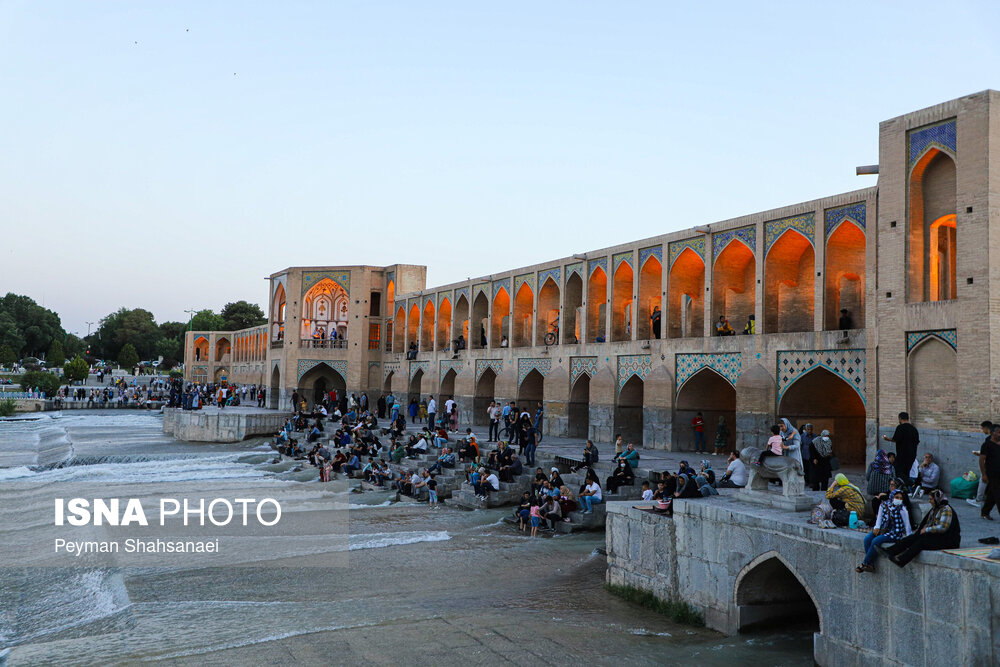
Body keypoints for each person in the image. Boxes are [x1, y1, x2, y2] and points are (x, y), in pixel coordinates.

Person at [881, 490, 961, 567]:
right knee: (913, 538)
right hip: (937, 536)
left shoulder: (946, 509)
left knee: (922, 542)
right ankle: (891, 551)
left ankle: (902, 560)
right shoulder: (935, 508)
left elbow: (943, 528)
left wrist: (927, 530)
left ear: (936, 499)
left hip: (948, 540)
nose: (929, 501)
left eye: (931, 499)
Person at [857, 489, 912, 573]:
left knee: (876, 541)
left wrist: (909, 538)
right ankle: (870, 564)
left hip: (894, 533)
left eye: (901, 498)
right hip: (883, 529)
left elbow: (907, 525)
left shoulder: (902, 509)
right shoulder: (884, 505)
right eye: (897, 497)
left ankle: (865, 563)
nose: (899, 500)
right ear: (892, 497)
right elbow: (879, 517)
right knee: (867, 539)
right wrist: (877, 527)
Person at [882, 412, 919, 484]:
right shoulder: (914, 429)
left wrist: (886, 439)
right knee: (907, 472)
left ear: (900, 418)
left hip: (902, 455)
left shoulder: (900, 427)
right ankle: (907, 486)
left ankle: (907, 486)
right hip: (912, 455)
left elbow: (895, 439)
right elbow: (917, 442)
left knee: (900, 472)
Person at [980, 424, 1000, 520]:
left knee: (992, 494)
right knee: (998, 494)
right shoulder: (987, 445)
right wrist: (984, 474)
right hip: (992, 474)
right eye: (999, 432)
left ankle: (985, 512)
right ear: (992, 433)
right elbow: (982, 460)